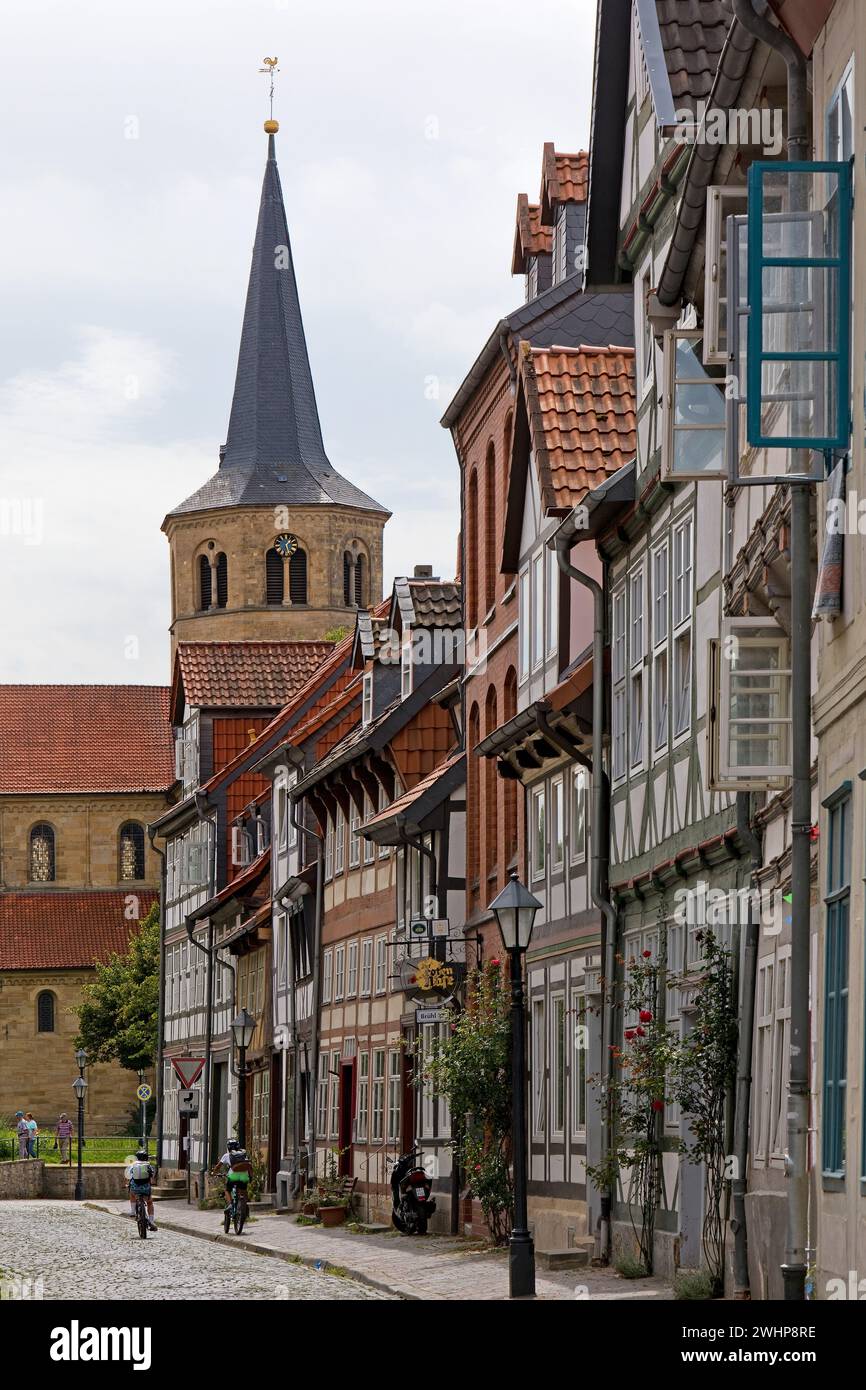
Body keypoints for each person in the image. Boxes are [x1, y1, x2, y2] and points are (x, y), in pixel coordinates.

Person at [125, 1149, 157, 1232]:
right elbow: (152, 1175)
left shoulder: (133, 1165)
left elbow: (128, 1176)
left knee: (132, 1194)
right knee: (150, 1202)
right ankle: (151, 1221)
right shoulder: (148, 1165)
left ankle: (132, 1212)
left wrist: (127, 1184)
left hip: (135, 1187)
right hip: (146, 1188)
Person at [223, 1145, 253, 1215]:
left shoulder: (228, 1156)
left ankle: (230, 1205)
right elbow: (250, 1168)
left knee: (227, 1190)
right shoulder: (244, 1157)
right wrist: (251, 1178)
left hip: (233, 1176)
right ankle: (244, 1207)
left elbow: (219, 1166)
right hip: (243, 1177)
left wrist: (213, 1173)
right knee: (243, 1191)